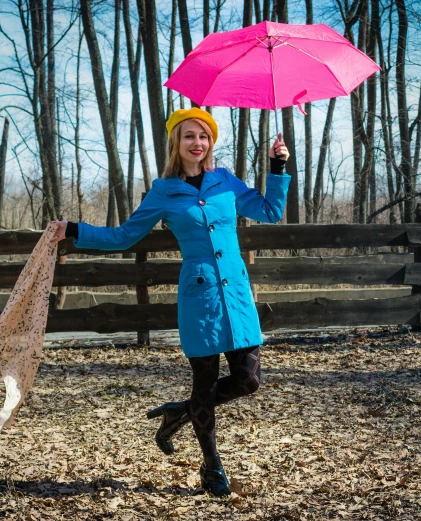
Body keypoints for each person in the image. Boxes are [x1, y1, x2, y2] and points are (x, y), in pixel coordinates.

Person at [52, 107, 290, 496]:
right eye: (189, 136)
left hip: (237, 294)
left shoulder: (225, 181)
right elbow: (124, 236)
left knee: (249, 381)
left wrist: (277, 168)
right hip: (200, 299)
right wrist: (75, 229)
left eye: (204, 136)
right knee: (205, 383)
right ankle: (212, 466)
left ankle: (180, 411)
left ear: (211, 142)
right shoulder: (163, 191)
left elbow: (271, 211)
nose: (197, 143)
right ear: (176, 144)